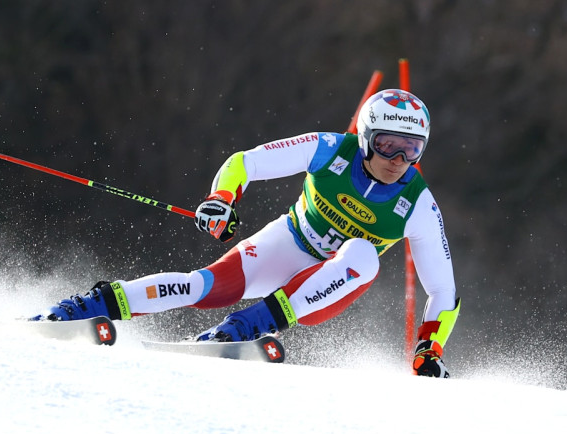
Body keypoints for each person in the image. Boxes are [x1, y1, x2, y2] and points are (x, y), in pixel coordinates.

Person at [31, 89, 460, 378]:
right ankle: (90, 305)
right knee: (205, 285)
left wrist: (429, 351)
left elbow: (444, 292)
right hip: (288, 243)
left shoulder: (419, 205)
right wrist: (222, 199)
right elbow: (246, 162)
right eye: (388, 144)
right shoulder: (328, 148)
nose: (399, 159)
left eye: (412, 149)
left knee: (364, 255)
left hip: (331, 284)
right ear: (366, 138)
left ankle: (245, 328)